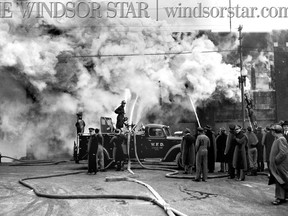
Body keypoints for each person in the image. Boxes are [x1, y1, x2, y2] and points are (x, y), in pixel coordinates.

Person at [269, 124, 288, 205]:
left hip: (280, 165)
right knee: (281, 180)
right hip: (279, 165)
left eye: (272, 130)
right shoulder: (278, 139)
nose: (271, 132)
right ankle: (283, 197)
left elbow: (283, 152)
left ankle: (279, 198)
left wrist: (276, 160)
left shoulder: (280, 139)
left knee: (280, 180)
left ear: (275, 131)